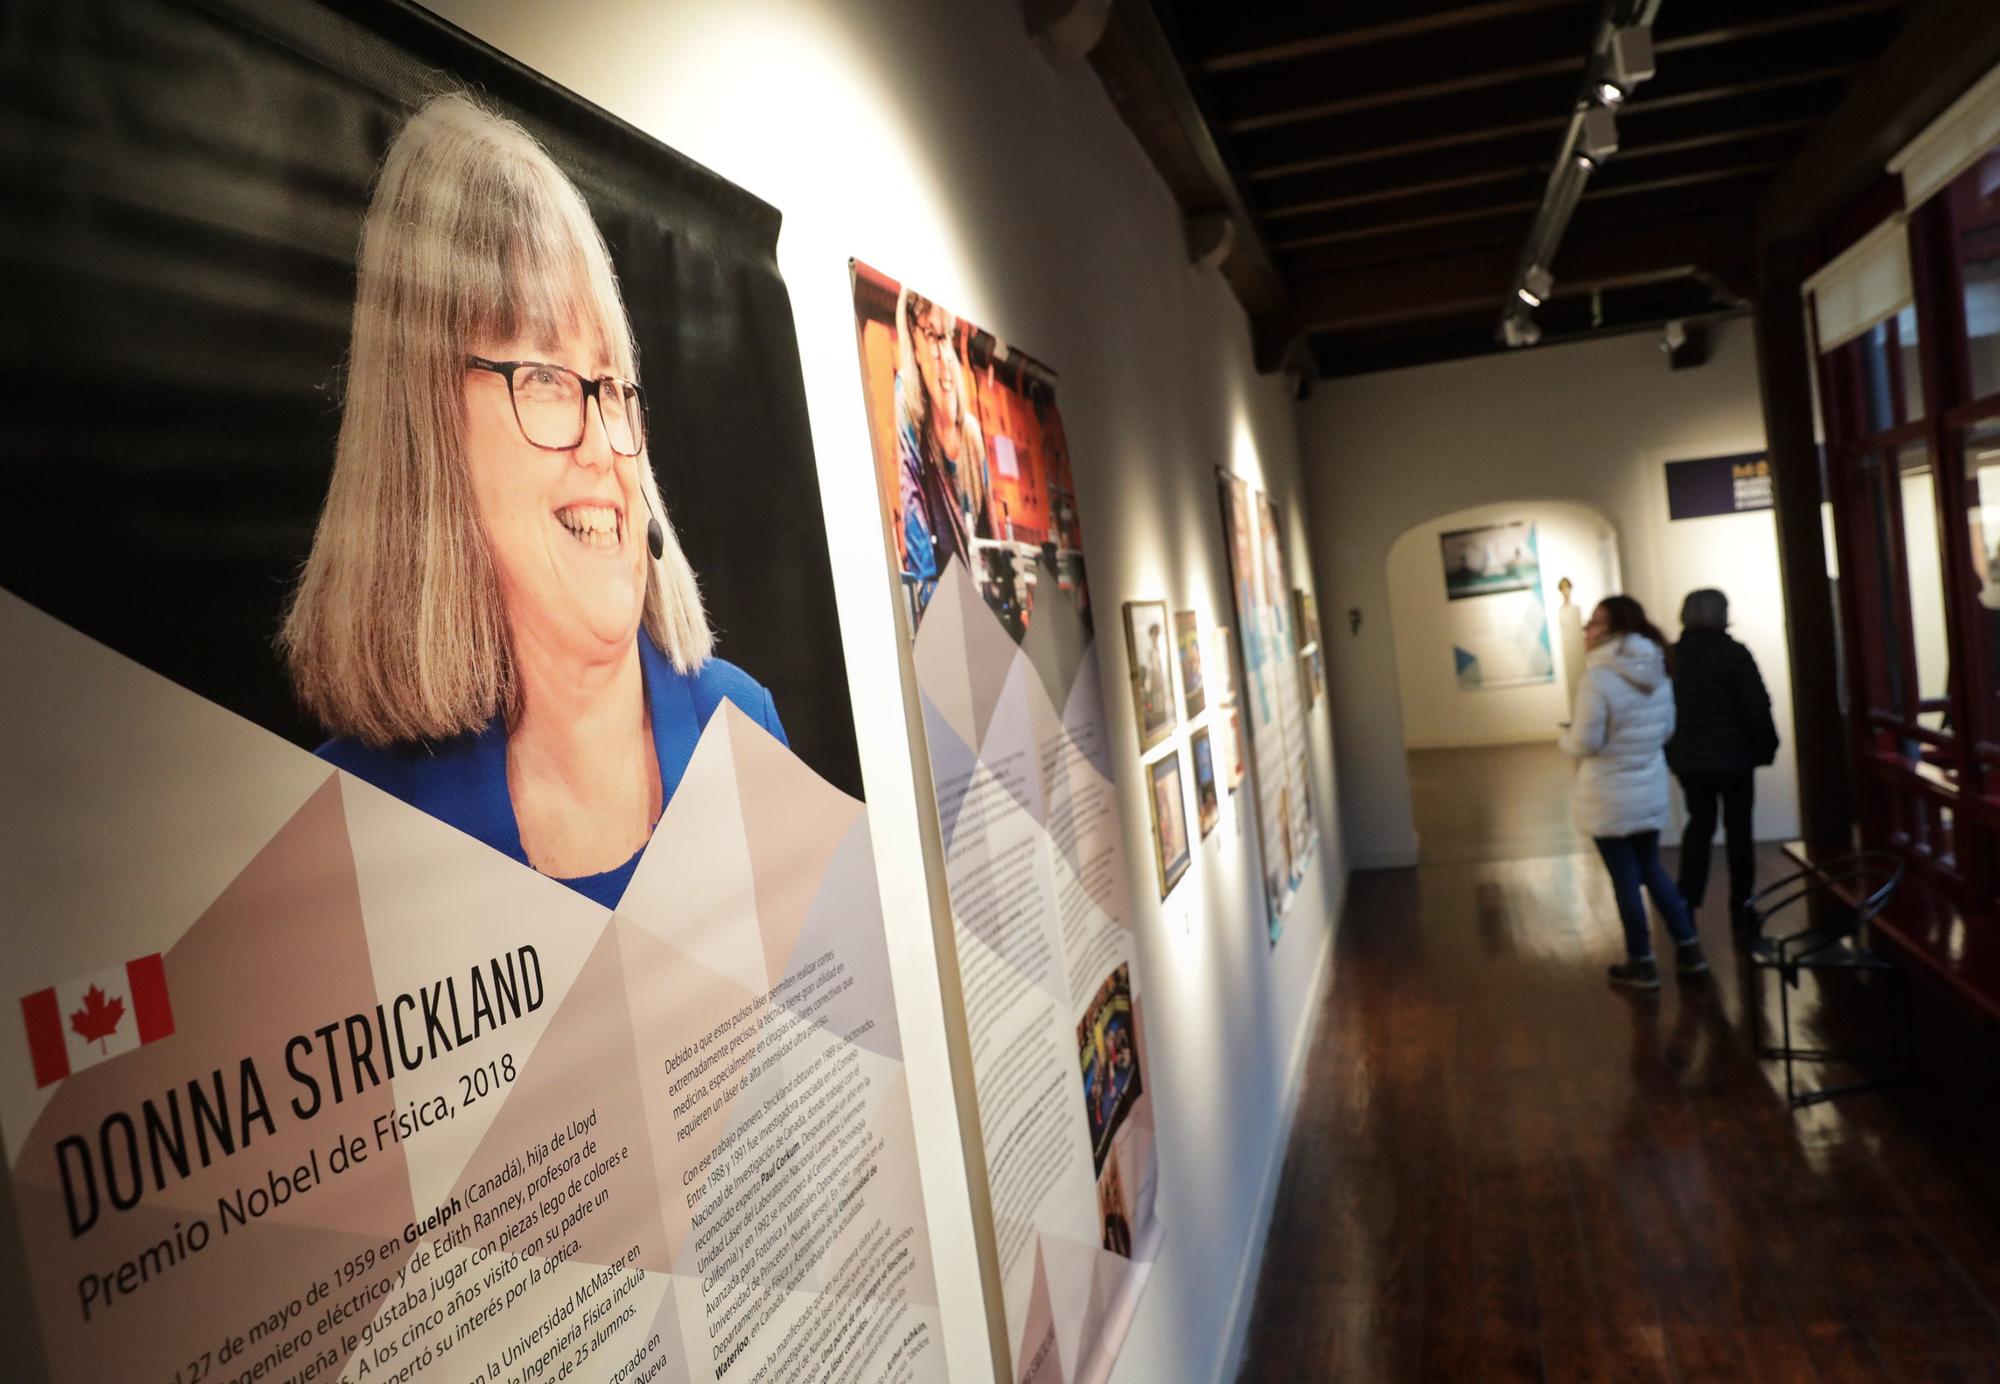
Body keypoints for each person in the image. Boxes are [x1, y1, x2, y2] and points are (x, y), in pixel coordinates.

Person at [281, 94, 783, 909]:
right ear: (428, 436)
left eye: (611, 384)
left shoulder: (743, 726)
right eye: (546, 377)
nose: (603, 445)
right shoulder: (342, 837)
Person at [1560, 595, 1704, 989]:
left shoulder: (1597, 679)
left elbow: (1586, 742)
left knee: (1625, 880)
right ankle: (1690, 950)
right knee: (1652, 869)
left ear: (1615, 629)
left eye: (1594, 622)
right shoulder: (1658, 667)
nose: (1587, 629)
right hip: (1648, 785)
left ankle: (1642, 962)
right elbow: (1667, 730)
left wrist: (1565, 738)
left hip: (1609, 794)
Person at [1666, 589, 1779, 935]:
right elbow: (1756, 707)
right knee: (1739, 831)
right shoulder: (1735, 654)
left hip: (1690, 760)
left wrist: (1671, 752)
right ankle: (1741, 904)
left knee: (1699, 826)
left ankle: (1687, 902)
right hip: (1735, 760)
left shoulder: (1672, 656)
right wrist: (1766, 748)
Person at [895, 289, 991, 618]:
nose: (944, 355)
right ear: (914, 341)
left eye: (947, 336)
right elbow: (916, 534)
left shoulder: (972, 434)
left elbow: (989, 542)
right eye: (932, 335)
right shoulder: (908, 403)